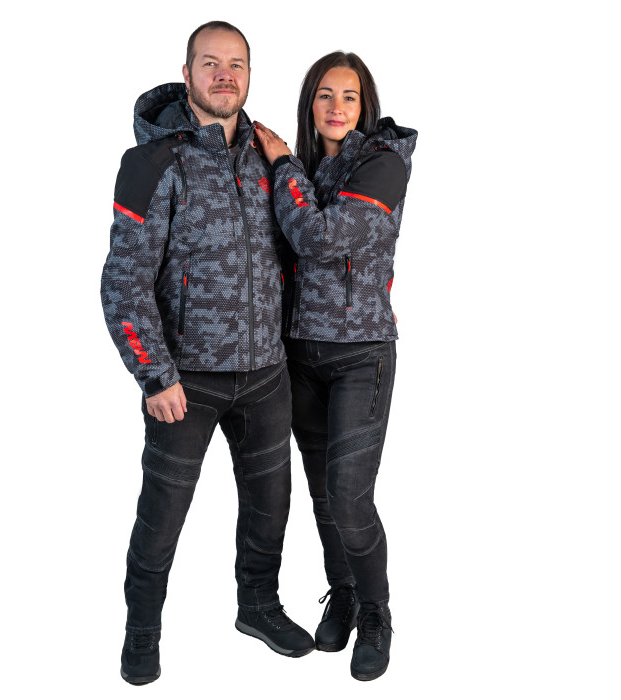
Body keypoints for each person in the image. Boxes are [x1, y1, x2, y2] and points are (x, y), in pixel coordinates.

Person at [101, 21, 315, 687]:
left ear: (249, 75)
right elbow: (123, 282)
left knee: (270, 505)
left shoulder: (268, 155)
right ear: (187, 73)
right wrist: (155, 375)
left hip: (266, 375)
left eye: (237, 64)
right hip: (185, 382)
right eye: (211, 63)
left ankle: (258, 607)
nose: (225, 74)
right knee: (162, 518)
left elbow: (301, 249)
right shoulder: (151, 163)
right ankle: (141, 635)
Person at [253, 51, 417, 681]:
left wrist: (282, 166)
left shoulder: (383, 164)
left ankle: (376, 612)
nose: (337, 107)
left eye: (350, 96)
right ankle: (342, 592)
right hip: (299, 353)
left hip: (360, 355)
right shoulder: (304, 165)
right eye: (325, 95)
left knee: (350, 496)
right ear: (310, 104)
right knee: (323, 493)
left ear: (365, 106)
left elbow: (320, 238)